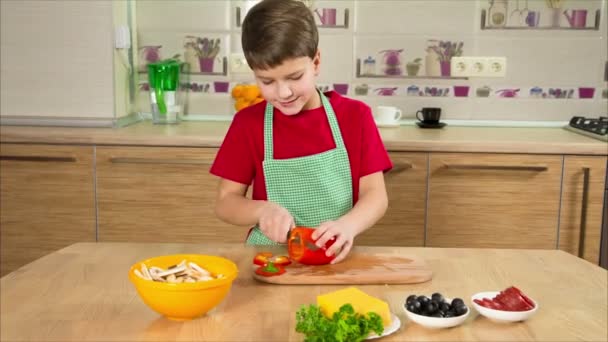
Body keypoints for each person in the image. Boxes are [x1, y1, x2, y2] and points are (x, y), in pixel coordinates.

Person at [210, 0, 392, 263]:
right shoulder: (248, 124)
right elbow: (226, 202)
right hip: (270, 259)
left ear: (316, 61)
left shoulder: (354, 117)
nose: (283, 93)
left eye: (294, 77)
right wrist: (262, 210)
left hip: (332, 256)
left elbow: (375, 195)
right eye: (267, 81)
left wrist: (349, 226)